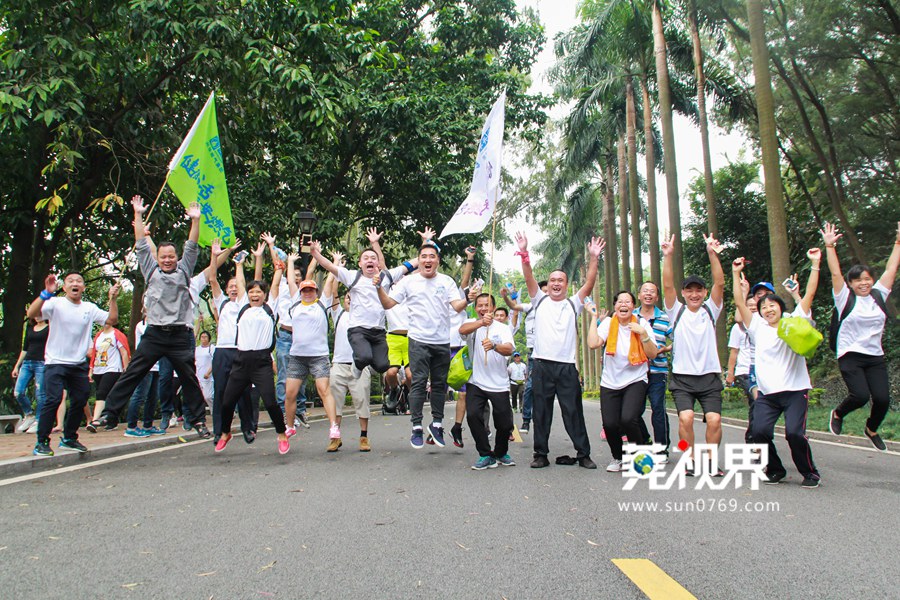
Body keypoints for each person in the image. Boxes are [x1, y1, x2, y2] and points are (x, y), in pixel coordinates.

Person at [97, 195, 209, 438]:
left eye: (171, 256)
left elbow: (192, 245)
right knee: (134, 372)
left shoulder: (184, 271)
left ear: (176, 258)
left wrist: (195, 220)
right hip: (155, 334)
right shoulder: (151, 271)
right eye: (163, 257)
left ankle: (199, 421)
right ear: (157, 258)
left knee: (189, 378)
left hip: (179, 335)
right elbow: (140, 244)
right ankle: (110, 413)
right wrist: (137, 214)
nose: (167, 260)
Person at [515, 231, 605, 470]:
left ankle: (583, 454)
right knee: (541, 413)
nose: (556, 283)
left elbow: (590, 283)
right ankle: (540, 454)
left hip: (566, 367)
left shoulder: (573, 303)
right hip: (542, 365)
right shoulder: (539, 300)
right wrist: (524, 253)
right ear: (548, 285)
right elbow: (528, 277)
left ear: (566, 285)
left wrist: (594, 257)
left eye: (560, 281)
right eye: (552, 280)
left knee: (573, 411)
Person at [733, 252, 822, 487]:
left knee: (794, 433)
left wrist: (815, 265)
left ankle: (810, 472)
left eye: (772, 305)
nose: (768, 309)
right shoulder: (757, 328)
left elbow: (810, 294)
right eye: (764, 307)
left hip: (794, 391)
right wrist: (734, 273)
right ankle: (775, 469)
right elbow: (740, 303)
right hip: (767, 394)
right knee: (759, 432)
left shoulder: (793, 322)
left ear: (781, 308)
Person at [376, 236, 468, 449]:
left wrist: (469, 299)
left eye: (432, 256)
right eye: (424, 256)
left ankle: (436, 424)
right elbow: (388, 303)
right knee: (417, 382)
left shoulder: (446, 281)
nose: (428, 259)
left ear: (438, 260)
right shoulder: (409, 281)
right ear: (419, 260)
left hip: (441, 342)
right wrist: (379, 288)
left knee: (439, 384)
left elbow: (457, 307)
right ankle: (416, 426)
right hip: (418, 340)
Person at [822, 222, 900, 451]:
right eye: (858, 280)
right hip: (850, 354)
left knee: (883, 399)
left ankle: (871, 428)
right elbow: (835, 272)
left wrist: (897, 242)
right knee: (860, 395)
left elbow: (891, 270)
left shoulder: (878, 295)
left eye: (867, 279)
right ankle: (837, 413)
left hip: (874, 355)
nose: (864, 283)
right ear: (851, 284)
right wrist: (829, 247)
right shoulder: (844, 298)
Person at [27, 272, 120, 455]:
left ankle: (69, 438)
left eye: (79, 281)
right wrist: (46, 293)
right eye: (71, 281)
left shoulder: (88, 307)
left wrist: (113, 299)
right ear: (64, 287)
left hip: (78, 364)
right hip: (55, 362)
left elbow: (112, 319)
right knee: (53, 399)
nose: (75, 284)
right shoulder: (55, 303)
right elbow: (32, 313)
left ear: (83, 288)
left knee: (80, 400)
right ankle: (42, 442)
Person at [213, 240, 289, 455]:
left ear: (265, 295)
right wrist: (239, 264)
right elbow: (239, 280)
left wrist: (277, 261)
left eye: (259, 292)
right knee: (227, 403)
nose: (255, 294)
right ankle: (226, 433)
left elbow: (275, 283)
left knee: (271, 402)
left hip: (262, 363)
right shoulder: (241, 306)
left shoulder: (270, 308)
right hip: (241, 361)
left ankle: (282, 434)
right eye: (252, 292)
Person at [661, 233, 725, 474]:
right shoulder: (676, 312)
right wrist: (668, 256)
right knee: (686, 419)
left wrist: (712, 254)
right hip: (682, 378)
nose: (694, 294)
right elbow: (667, 285)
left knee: (715, 420)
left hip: (709, 377)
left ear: (704, 292)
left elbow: (719, 283)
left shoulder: (711, 310)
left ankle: (710, 461)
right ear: (684, 293)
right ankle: (689, 458)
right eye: (690, 290)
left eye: (699, 290)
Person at [310, 228, 409, 376]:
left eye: (373, 258)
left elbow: (410, 264)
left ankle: (370, 365)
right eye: (366, 258)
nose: (370, 260)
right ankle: (357, 364)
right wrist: (314, 253)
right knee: (364, 357)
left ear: (378, 264)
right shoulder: (351, 277)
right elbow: (329, 266)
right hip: (358, 329)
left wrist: (429, 246)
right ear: (360, 263)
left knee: (383, 366)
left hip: (378, 330)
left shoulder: (386, 277)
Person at [587, 292, 660, 471]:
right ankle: (618, 458)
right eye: (620, 301)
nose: (623, 304)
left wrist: (643, 334)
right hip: (610, 382)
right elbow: (593, 343)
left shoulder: (641, 324)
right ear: (615, 307)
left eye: (627, 301)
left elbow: (652, 354)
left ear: (633, 306)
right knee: (610, 424)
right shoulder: (608, 323)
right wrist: (594, 317)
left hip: (635, 379)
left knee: (628, 419)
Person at [283, 248, 341, 451]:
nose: (307, 293)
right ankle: (289, 426)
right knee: (290, 393)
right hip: (297, 357)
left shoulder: (321, 304)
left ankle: (334, 427)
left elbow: (330, 281)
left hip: (318, 356)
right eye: (304, 290)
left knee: (323, 390)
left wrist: (335, 263)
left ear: (315, 292)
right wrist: (290, 261)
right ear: (300, 292)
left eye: (310, 290)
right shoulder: (295, 304)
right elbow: (291, 281)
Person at [208, 242, 259, 443]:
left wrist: (239, 265)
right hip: (222, 352)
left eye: (235, 286)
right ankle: (220, 431)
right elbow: (212, 278)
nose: (233, 289)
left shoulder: (244, 304)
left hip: (241, 351)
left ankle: (248, 428)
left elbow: (241, 282)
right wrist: (214, 256)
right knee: (220, 392)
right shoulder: (221, 303)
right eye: (230, 287)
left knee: (243, 392)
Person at [459, 293, 516, 470]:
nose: (483, 309)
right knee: (473, 416)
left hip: (499, 383)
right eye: (480, 306)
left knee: (504, 424)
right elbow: (462, 331)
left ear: (493, 307)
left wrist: (494, 346)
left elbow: (509, 349)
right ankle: (485, 454)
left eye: (487, 305)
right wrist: (481, 323)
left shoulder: (503, 328)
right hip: (476, 381)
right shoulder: (471, 325)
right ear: (475, 308)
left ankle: (500, 453)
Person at [326, 265, 373, 452]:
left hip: (359, 365)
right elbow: (334, 291)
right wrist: (336, 267)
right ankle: (335, 437)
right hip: (338, 365)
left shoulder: (365, 316)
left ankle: (363, 437)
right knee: (335, 404)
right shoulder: (339, 314)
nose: (351, 300)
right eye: (348, 297)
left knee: (362, 401)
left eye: (354, 298)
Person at [501, 279, 549, 433]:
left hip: (552, 352)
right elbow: (514, 307)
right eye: (544, 291)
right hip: (534, 352)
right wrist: (508, 297)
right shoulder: (530, 307)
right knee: (530, 386)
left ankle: (544, 420)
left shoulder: (557, 307)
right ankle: (526, 419)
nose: (547, 294)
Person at [634, 281, 672, 455]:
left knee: (658, 408)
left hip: (658, 371)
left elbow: (678, 338)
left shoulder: (665, 317)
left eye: (652, 292)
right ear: (639, 295)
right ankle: (646, 439)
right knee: (634, 411)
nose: (648, 294)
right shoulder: (632, 317)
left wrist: (665, 349)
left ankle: (661, 448)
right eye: (645, 291)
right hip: (636, 371)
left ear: (657, 297)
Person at [124, 312, 165, 437]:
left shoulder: (160, 324)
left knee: (153, 397)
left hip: (157, 366)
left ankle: (148, 425)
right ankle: (131, 427)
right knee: (140, 395)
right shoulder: (141, 326)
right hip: (145, 365)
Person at [726, 292, 758, 443]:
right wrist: (730, 373)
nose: (752, 308)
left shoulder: (763, 324)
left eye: (755, 305)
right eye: (749, 306)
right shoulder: (738, 328)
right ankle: (753, 439)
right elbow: (734, 352)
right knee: (757, 402)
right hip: (744, 371)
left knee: (757, 405)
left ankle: (755, 437)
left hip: (762, 371)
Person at [87, 322, 130, 431]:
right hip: (99, 369)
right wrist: (91, 369)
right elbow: (94, 354)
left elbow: (124, 352)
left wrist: (126, 369)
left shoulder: (117, 334)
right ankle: (112, 421)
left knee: (101, 393)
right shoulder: (98, 335)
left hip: (113, 368)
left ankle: (95, 421)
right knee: (109, 395)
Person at [12, 317, 49, 434]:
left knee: (40, 393)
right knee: (18, 392)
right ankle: (29, 415)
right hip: (27, 363)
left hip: (42, 363)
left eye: (40, 313)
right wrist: (17, 366)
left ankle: (39, 420)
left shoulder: (50, 329)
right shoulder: (29, 329)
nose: (37, 316)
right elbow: (25, 349)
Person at [195, 331, 215, 410]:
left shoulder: (212, 348)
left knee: (208, 397)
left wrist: (208, 372)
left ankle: (216, 411)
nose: (203, 338)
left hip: (208, 377)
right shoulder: (197, 349)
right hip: (198, 376)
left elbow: (215, 362)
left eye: (205, 337)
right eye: (202, 337)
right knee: (199, 397)